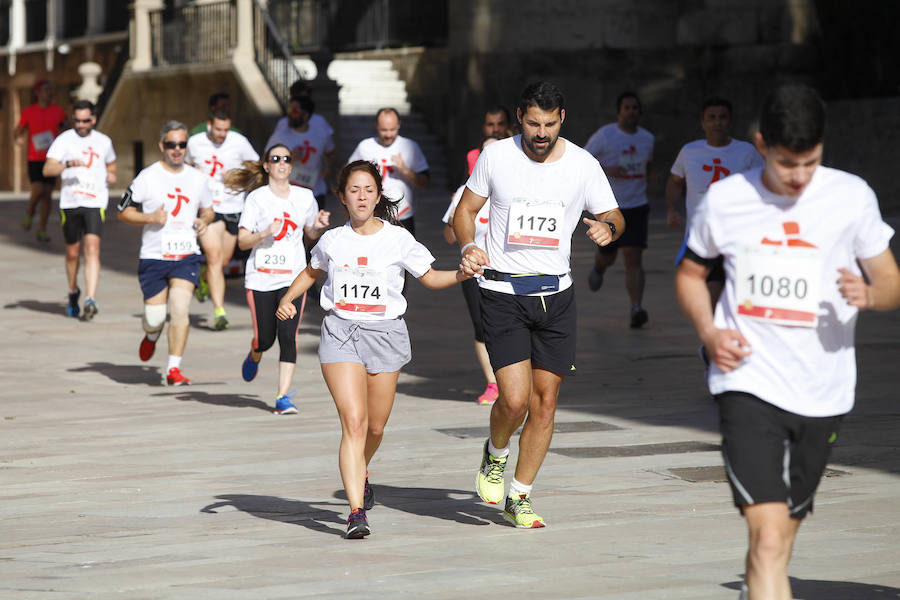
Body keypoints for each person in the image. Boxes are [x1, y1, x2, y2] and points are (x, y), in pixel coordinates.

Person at [674, 83, 900, 600]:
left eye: (810, 163)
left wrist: (869, 293)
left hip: (824, 390)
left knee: (779, 541)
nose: (798, 177)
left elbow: (891, 283)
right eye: (786, 164)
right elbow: (690, 275)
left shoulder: (851, 197)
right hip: (747, 380)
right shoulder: (727, 200)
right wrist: (710, 331)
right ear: (761, 145)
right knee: (769, 537)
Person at [454, 81, 623, 528]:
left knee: (545, 403)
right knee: (514, 400)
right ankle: (495, 454)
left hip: (557, 298)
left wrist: (609, 229)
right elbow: (465, 210)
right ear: (520, 118)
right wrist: (469, 245)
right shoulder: (497, 156)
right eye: (533, 124)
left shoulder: (583, 164)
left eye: (549, 124)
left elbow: (614, 214)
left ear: (562, 118)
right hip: (503, 294)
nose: (541, 133)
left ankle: (520, 494)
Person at [275, 160, 467, 539]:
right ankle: (355, 512)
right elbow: (312, 271)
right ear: (342, 197)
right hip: (340, 332)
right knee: (355, 423)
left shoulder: (398, 239)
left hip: (386, 334)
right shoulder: (332, 240)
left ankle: (359, 469)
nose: (361, 197)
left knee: (375, 427)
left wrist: (462, 273)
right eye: (354, 190)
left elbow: (429, 277)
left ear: (378, 196)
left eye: (368, 190)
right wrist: (288, 298)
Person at [232, 144, 330, 414]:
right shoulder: (256, 198)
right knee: (265, 339)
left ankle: (282, 397)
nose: (282, 163)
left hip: (292, 277)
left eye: (286, 159)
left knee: (288, 336)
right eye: (275, 159)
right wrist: (264, 233)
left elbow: (310, 234)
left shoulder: (305, 196)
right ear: (266, 166)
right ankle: (256, 352)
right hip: (261, 278)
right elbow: (242, 241)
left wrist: (317, 227)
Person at [117, 121, 214, 386]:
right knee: (155, 319)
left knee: (180, 310)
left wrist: (204, 220)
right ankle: (151, 335)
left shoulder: (198, 178)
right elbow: (123, 211)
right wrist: (150, 217)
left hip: (186, 255)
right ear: (162, 146)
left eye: (182, 144)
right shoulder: (147, 177)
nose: (177, 149)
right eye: (171, 144)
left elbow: (208, 209)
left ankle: (173, 369)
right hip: (154, 255)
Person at [666, 97, 763, 306]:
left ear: (731, 121)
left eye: (722, 117)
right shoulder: (689, 152)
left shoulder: (747, 152)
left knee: (736, 296)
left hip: (737, 236)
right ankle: (712, 326)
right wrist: (671, 209)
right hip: (702, 236)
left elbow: (764, 185)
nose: (717, 122)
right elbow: (675, 181)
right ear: (703, 122)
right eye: (712, 117)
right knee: (711, 292)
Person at [584, 91, 655, 327]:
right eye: (627, 108)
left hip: (637, 206)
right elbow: (584, 159)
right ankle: (599, 266)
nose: (631, 112)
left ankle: (637, 307)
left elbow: (647, 164)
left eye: (635, 108)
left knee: (633, 258)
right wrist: (608, 170)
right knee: (609, 256)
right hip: (610, 209)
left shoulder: (647, 138)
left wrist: (652, 173)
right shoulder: (605, 135)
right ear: (618, 112)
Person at [42, 100, 117, 320]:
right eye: (77, 121)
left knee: (92, 248)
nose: (81, 125)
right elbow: (47, 169)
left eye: (85, 121)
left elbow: (111, 164)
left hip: (95, 201)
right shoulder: (64, 140)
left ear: (94, 119)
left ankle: (91, 298)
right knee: (73, 253)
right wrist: (67, 164)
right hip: (71, 202)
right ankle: (73, 290)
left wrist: (112, 174)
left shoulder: (104, 141)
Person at [186, 109, 259, 330]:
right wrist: (193, 171)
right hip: (208, 207)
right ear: (209, 125)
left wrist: (237, 175)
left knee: (223, 262)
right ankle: (219, 311)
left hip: (233, 208)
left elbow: (256, 167)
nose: (222, 134)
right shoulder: (195, 142)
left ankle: (203, 277)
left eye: (225, 130)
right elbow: (184, 166)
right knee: (215, 257)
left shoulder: (239, 142)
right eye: (218, 129)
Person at [443, 136, 499, 405]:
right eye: (485, 153)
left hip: (509, 270)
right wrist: (454, 220)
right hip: (474, 270)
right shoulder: (464, 191)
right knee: (481, 326)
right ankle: (493, 383)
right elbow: (449, 237)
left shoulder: (517, 186)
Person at [347, 108, 429, 234]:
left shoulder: (410, 146)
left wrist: (405, 170)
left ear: (399, 124)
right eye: (384, 130)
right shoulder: (365, 146)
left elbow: (425, 183)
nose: (388, 134)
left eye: (392, 129)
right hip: (372, 217)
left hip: (402, 215)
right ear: (376, 125)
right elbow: (347, 177)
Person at [14, 80, 67, 243]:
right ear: (37, 93)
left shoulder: (58, 111)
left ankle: (42, 229)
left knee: (48, 194)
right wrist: (18, 139)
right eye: (45, 90)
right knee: (38, 190)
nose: (48, 93)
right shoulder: (29, 111)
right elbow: (18, 130)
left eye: (50, 89)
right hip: (35, 158)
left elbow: (66, 129)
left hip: (52, 158)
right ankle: (30, 211)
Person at [266, 95, 336, 210]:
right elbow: (264, 160)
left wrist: (327, 168)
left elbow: (331, 153)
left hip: (315, 192)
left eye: (294, 111)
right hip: (287, 193)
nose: (289, 114)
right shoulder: (279, 136)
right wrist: (288, 159)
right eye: (289, 109)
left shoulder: (321, 134)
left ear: (306, 115)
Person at [465, 105, 512, 175]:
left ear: (509, 126)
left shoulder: (519, 153)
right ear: (484, 128)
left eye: (501, 124)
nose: (496, 129)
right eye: (490, 124)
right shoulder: (473, 156)